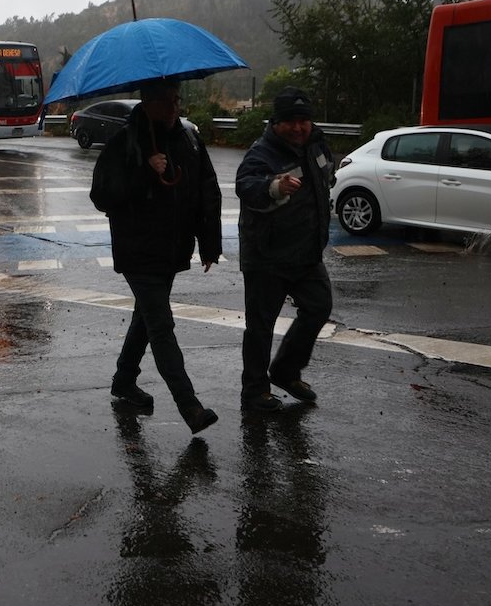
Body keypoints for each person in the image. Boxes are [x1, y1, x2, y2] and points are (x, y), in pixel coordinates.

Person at [90, 77, 221, 435]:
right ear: (146, 102)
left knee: (146, 318)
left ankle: (123, 380)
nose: (174, 107)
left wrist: (210, 243)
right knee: (161, 326)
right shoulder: (123, 143)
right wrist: (144, 171)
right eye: (167, 101)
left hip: (172, 250)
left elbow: (207, 188)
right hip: (138, 251)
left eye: (177, 100)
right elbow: (102, 195)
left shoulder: (189, 138)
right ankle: (189, 406)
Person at [234, 87, 336, 412]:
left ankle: (285, 371)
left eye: (303, 120)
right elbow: (246, 185)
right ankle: (254, 392)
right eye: (290, 121)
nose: (297, 127)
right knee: (260, 326)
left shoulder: (316, 146)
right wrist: (273, 187)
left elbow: (325, 179)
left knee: (319, 306)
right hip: (267, 255)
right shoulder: (262, 153)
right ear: (276, 123)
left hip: (306, 254)